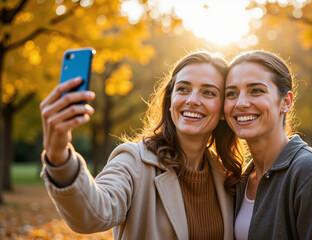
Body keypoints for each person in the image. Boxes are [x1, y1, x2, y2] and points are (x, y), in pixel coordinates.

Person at [39, 51, 244, 239]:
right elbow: (92, 214)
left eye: (208, 92)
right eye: (183, 89)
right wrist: (59, 155)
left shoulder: (226, 176)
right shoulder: (134, 161)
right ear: (170, 100)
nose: (192, 100)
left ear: (224, 109)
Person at [223, 50, 312, 240]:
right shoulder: (241, 179)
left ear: (286, 102)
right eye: (231, 93)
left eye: (256, 90)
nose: (240, 103)